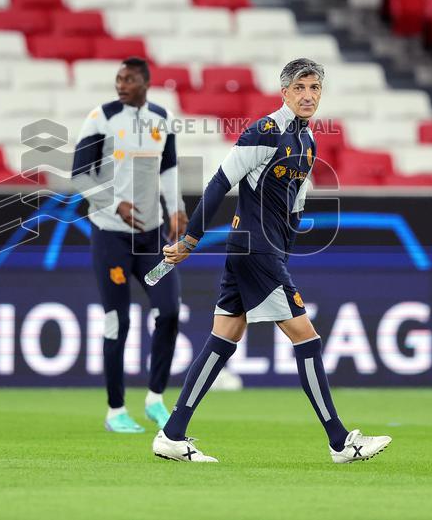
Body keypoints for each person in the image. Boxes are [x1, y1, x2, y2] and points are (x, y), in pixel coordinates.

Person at [150, 58, 392, 463]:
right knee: (306, 337)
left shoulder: (308, 143)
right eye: (299, 88)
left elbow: (294, 212)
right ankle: (339, 442)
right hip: (254, 250)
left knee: (223, 337)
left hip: (260, 253)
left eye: (314, 88)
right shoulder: (265, 131)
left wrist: (283, 256)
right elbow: (219, 183)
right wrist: (191, 239)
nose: (308, 95)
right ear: (284, 93)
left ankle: (172, 434)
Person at [71, 57, 187, 433]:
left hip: (151, 238)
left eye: (129, 79)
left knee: (169, 310)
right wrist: (111, 203)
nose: (121, 84)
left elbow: (167, 168)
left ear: (145, 82)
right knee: (116, 320)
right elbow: (79, 174)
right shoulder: (101, 117)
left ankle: (155, 399)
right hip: (111, 237)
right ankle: (115, 410)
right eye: (118, 78)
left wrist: (177, 208)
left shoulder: (161, 118)